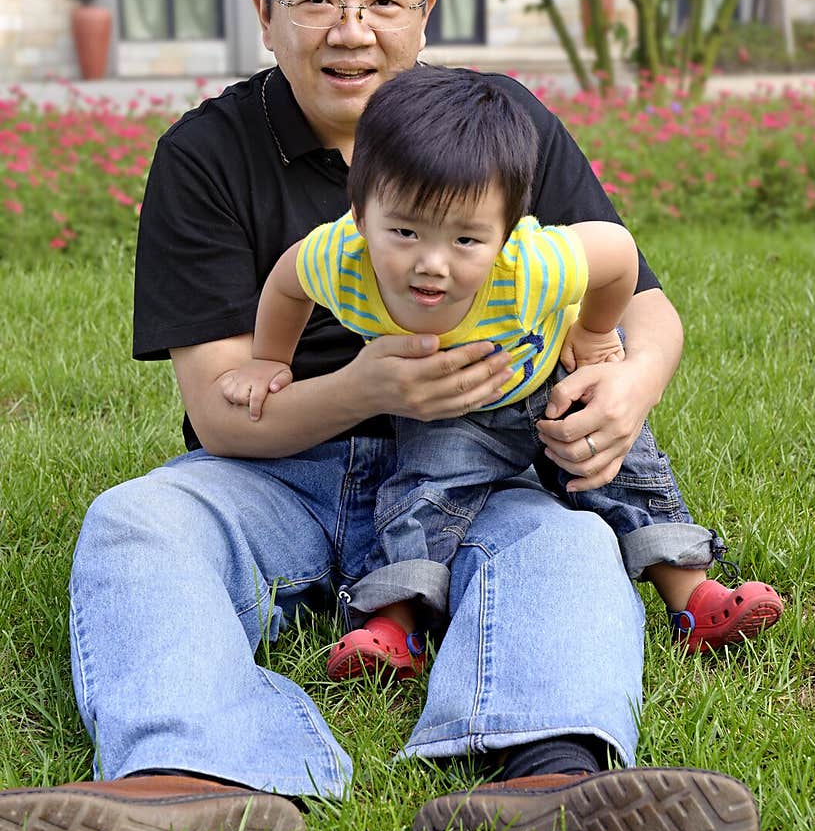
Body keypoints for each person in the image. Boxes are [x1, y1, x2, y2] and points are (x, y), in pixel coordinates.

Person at [0, 0, 763, 831]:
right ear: (266, 14)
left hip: (479, 470)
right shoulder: (206, 158)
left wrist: (624, 387)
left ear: (425, 14)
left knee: (570, 542)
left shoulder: (493, 128)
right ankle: (193, 779)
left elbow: (639, 297)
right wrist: (364, 384)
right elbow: (225, 404)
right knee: (138, 518)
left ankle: (548, 783)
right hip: (285, 471)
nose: (350, 29)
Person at [220, 63, 781, 682]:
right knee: (421, 497)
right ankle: (393, 630)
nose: (431, 264)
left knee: (622, 472)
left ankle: (693, 598)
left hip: (552, 379)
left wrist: (595, 333)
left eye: (466, 240)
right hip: (451, 405)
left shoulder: (532, 265)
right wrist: (270, 360)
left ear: (508, 232)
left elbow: (618, 255)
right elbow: (286, 284)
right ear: (359, 209)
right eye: (404, 231)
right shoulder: (340, 257)